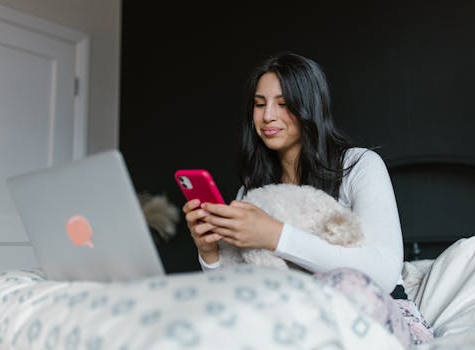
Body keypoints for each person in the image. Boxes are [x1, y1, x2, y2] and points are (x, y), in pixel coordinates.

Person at [182, 52, 433, 347]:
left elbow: (384, 273)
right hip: (295, 324)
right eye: (259, 104)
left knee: (342, 289)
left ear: (308, 107)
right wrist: (209, 254)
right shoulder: (253, 192)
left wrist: (275, 236)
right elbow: (238, 288)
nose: (267, 117)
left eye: (283, 104)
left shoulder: (359, 165)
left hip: (373, 314)